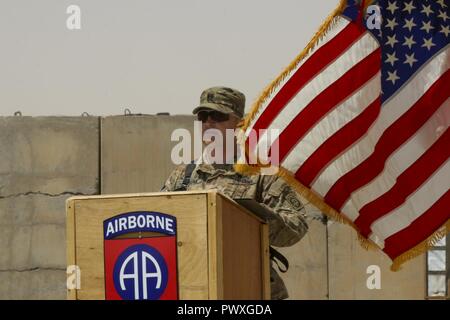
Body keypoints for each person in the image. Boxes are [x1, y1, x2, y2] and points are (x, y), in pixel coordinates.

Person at [161, 86, 309, 299]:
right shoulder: (183, 175)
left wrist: (254, 217)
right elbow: (157, 221)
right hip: (196, 288)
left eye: (218, 116)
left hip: (251, 289)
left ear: (240, 124)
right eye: (203, 116)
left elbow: (296, 228)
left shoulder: (261, 173)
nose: (208, 123)